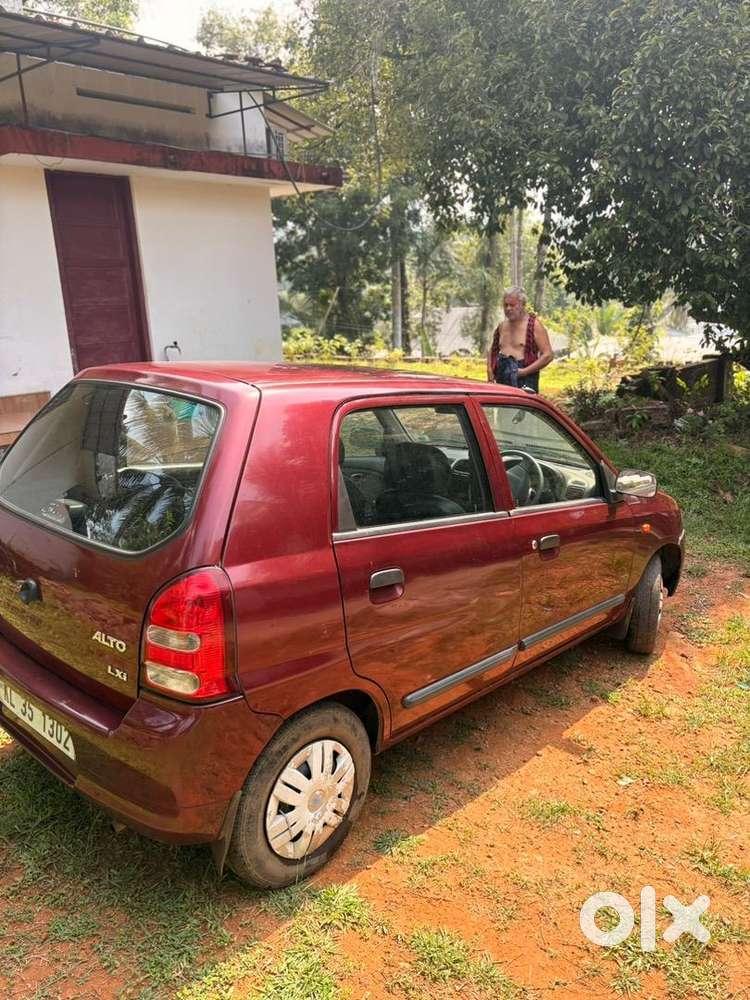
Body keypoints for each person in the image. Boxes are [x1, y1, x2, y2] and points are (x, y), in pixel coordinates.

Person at [487, 286, 554, 391]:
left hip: (525, 379)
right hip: (502, 376)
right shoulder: (502, 326)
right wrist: (490, 371)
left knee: (522, 407)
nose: (508, 308)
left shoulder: (534, 325)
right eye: (506, 305)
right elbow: (493, 350)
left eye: (512, 305)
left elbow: (548, 355)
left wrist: (524, 371)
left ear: (523, 304)